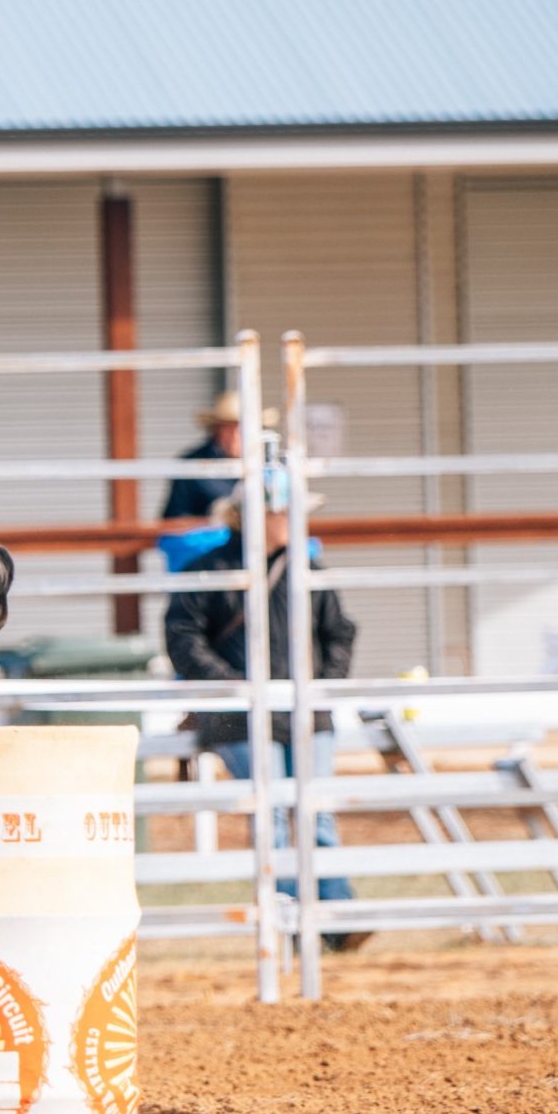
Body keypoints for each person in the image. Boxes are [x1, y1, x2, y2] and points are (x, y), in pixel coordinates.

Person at [163, 469, 361, 930]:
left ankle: (333, 917)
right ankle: (297, 920)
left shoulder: (307, 570)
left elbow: (339, 634)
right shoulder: (208, 571)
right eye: (286, 513)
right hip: (239, 715)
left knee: (316, 815)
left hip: (302, 711)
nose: (296, 522)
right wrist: (239, 689)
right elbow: (184, 642)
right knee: (272, 817)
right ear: (259, 516)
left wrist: (318, 686)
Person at [160, 390, 273, 523]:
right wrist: (211, 519)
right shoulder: (191, 464)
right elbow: (174, 518)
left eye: (242, 428)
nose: (235, 436)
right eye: (228, 428)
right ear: (215, 430)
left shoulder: (271, 464)